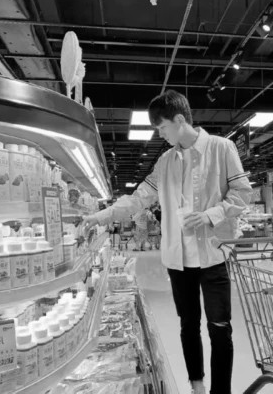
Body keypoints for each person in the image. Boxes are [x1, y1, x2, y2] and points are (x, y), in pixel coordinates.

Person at [83, 90, 252, 394]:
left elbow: (242, 193)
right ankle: (197, 385)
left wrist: (210, 215)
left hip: (213, 255)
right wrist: (102, 216)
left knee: (220, 328)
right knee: (188, 325)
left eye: (162, 127)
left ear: (179, 120)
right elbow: (139, 198)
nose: (160, 134)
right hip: (178, 260)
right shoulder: (165, 161)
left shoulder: (221, 148)